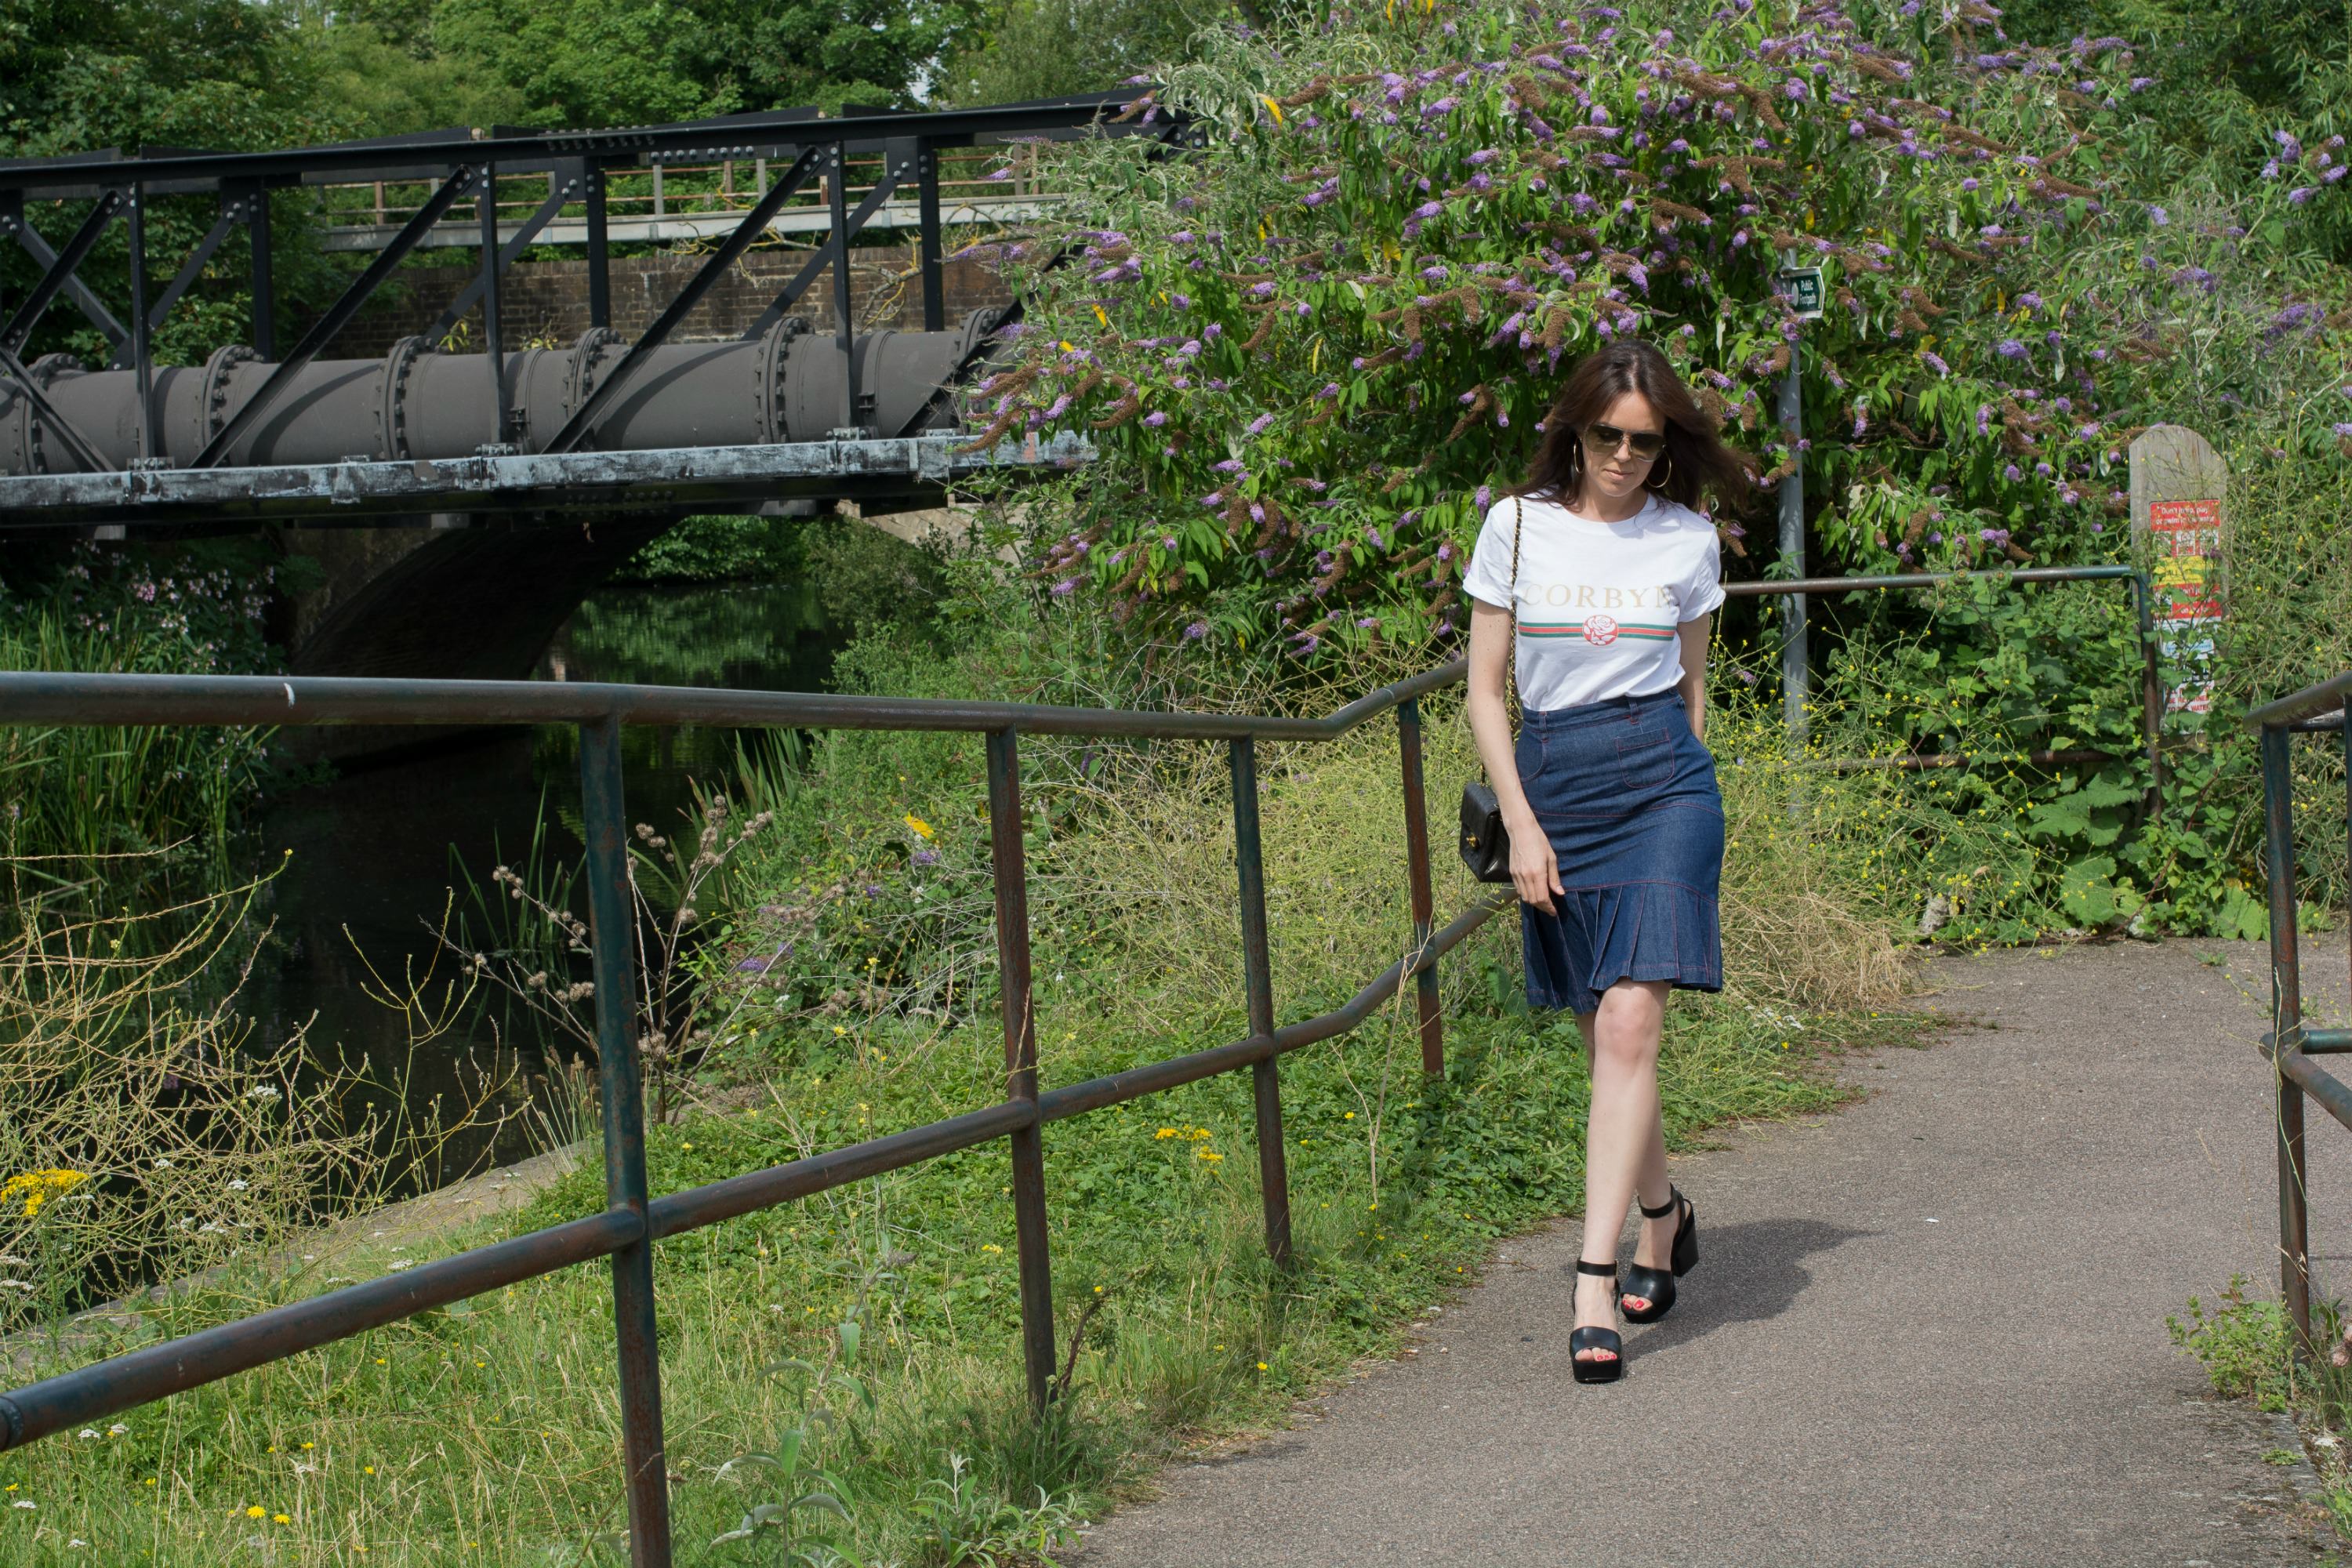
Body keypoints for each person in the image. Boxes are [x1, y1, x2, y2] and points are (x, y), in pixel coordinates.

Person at [1459, 338, 1753, 1383]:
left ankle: (1597, 1276)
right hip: (1556, 787)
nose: (1625, 456)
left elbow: (1692, 692)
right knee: (1606, 1039)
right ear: (1573, 433)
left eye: (1645, 440)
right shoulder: (1517, 526)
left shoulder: (1688, 541)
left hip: (1663, 784)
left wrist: (1685, 780)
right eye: (1606, 436)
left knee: (1633, 1020)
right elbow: (1485, 691)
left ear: (1667, 444)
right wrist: (1525, 826)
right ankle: (1666, 1214)